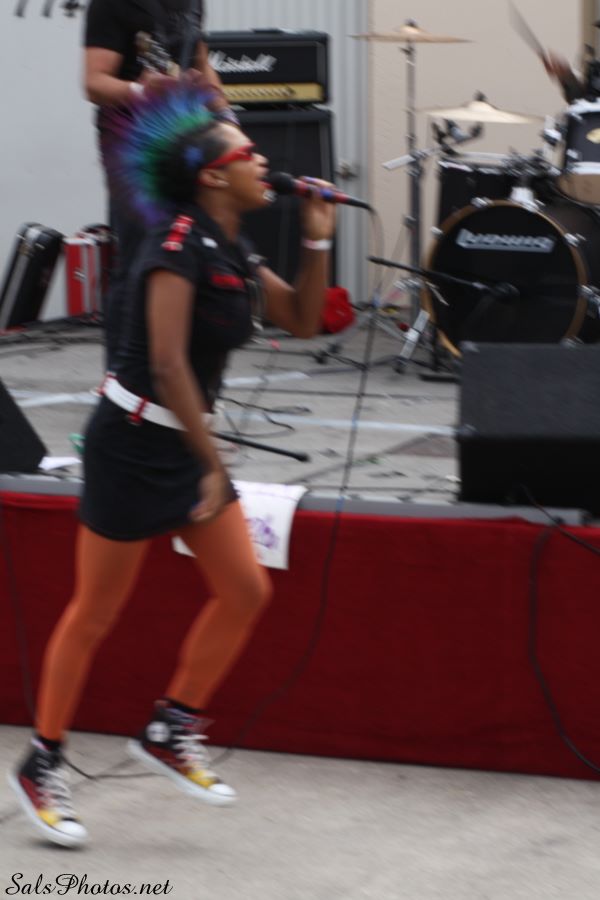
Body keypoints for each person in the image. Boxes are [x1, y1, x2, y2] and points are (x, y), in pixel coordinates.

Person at [8, 83, 336, 848]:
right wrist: (212, 463)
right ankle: (41, 763)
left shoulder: (234, 249)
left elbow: (302, 318)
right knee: (95, 614)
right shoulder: (174, 246)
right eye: (249, 153)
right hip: (132, 444)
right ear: (214, 177)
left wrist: (317, 239)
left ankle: (170, 726)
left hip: (185, 447)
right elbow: (165, 361)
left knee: (245, 590)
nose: (265, 162)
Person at [84, 0, 236, 366]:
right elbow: (93, 82)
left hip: (183, 133)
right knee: (138, 255)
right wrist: (141, 91)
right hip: (132, 141)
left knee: (189, 251)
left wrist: (227, 118)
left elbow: (200, 64)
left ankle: (180, 371)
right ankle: (122, 377)